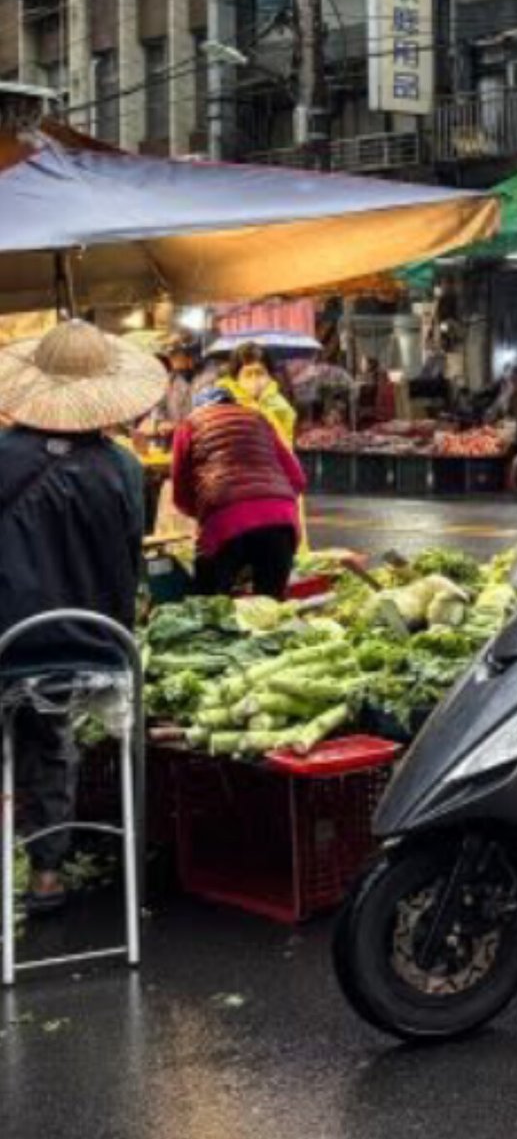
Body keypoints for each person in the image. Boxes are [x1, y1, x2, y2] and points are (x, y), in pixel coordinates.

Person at [0, 321, 164, 914]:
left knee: (28, 725)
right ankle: (47, 874)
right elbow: (130, 561)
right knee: (51, 736)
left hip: (9, 645)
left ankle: (31, 864)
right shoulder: (123, 468)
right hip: (94, 650)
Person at [171, 384, 307, 598]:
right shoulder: (259, 419)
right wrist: (270, 504)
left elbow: (181, 491)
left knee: (210, 604)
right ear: (232, 403)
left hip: (225, 522)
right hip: (281, 521)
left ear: (198, 408)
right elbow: (297, 479)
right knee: (271, 607)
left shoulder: (189, 425)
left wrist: (203, 513)